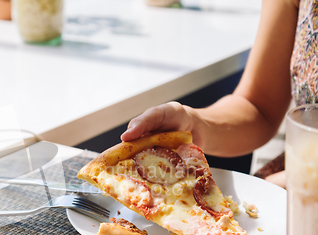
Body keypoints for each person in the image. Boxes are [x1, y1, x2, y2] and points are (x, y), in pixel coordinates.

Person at [121, 0, 315, 189]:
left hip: (296, 183)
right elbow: (258, 106)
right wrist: (194, 124)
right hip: (293, 184)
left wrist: (304, 181)